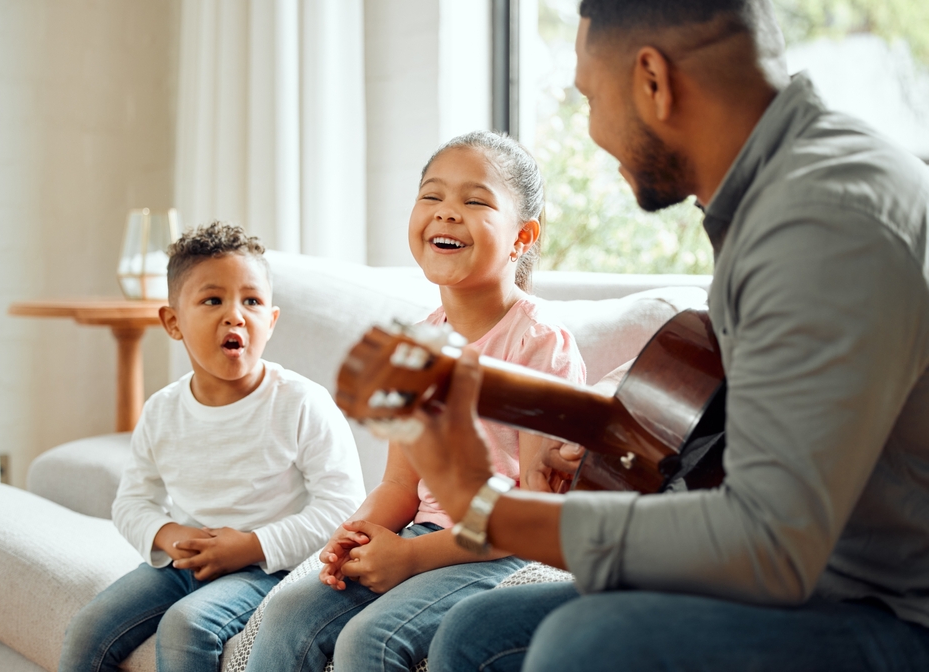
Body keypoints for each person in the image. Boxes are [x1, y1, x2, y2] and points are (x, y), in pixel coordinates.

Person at [396, 2, 929, 671]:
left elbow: (767, 545)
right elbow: (750, 422)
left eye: (590, 96)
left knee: (582, 645)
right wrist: (470, 388)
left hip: (892, 609)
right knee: (476, 633)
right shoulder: (782, 189)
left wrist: (489, 512)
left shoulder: (822, 226)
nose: (590, 128)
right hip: (826, 575)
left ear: (653, 80)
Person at [243, 131, 588, 672]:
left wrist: (410, 558)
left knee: (370, 642)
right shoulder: (415, 346)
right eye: (432, 196)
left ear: (523, 236)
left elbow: (534, 509)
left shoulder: (539, 342)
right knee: (286, 613)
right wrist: (354, 535)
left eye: (474, 201)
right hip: (421, 533)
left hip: (497, 550)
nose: (447, 214)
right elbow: (401, 485)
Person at [58, 222, 366, 672]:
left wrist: (252, 545)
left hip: (268, 568)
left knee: (187, 626)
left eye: (252, 301)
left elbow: (343, 506)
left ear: (271, 321)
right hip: (186, 560)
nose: (235, 315)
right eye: (212, 300)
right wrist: (171, 536)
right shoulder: (163, 410)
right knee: (87, 631)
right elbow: (133, 502)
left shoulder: (302, 402)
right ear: (173, 322)